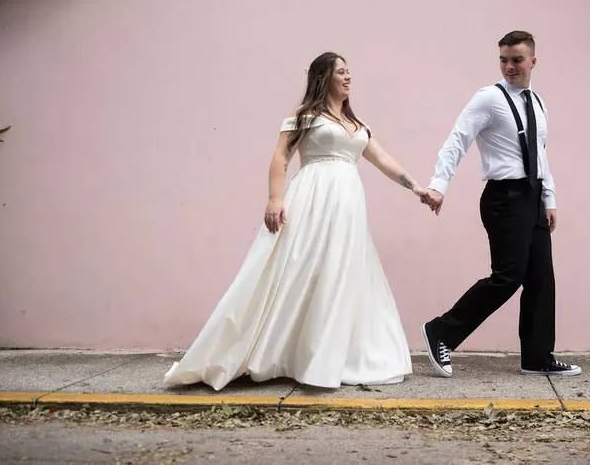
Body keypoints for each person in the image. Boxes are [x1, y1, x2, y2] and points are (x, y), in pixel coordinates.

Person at [164, 52, 423, 390]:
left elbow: (383, 159)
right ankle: (271, 351)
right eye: (341, 72)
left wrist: (417, 187)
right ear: (323, 77)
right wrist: (275, 198)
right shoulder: (305, 117)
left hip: (348, 206)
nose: (348, 78)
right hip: (312, 197)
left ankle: (325, 355)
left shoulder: (358, 126)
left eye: (349, 72)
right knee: (298, 266)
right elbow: (280, 156)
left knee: (339, 271)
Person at [419, 31, 581, 377]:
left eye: (517, 60)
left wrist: (548, 198)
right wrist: (438, 184)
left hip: (533, 196)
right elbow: (457, 140)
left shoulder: (537, 103)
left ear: (532, 61)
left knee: (541, 278)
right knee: (508, 276)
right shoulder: (488, 99)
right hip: (504, 197)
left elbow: (540, 154)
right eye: (504, 60)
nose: (509, 66)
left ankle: (537, 357)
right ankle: (440, 331)